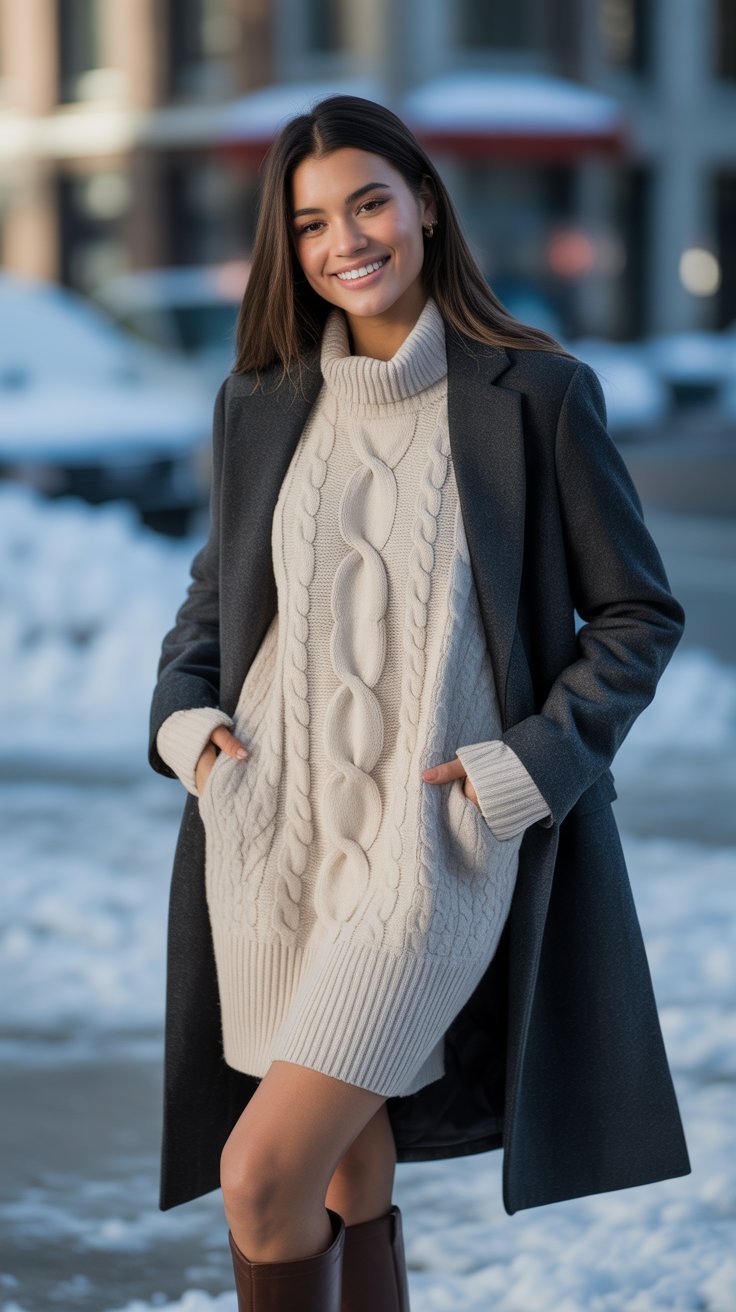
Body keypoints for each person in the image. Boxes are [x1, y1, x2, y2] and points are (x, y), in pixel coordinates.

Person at [148, 94, 690, 1312]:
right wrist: (190, 735)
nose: (345, 239)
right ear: (287, 249)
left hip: (428, 865)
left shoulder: (534, 396)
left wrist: (524, 771)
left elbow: (636, 618)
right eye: (309, 222)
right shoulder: (263, 405)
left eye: (369, 201)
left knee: (259, 1172)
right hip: (275, 851)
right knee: (344, 1160)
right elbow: (213, 616)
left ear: (426, 204)